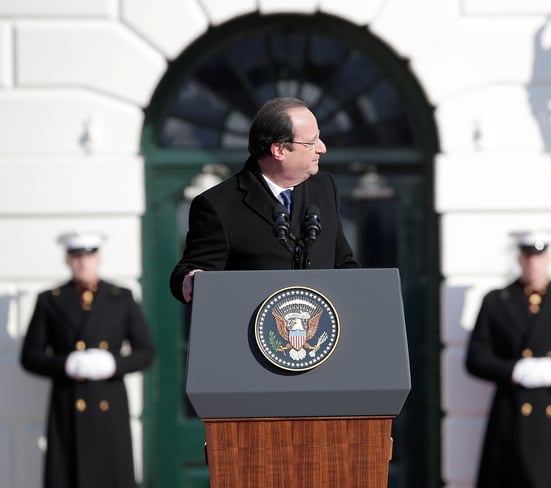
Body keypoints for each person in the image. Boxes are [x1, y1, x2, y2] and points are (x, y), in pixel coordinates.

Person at [170, 97, 359, 303]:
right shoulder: (218, 205)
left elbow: (343, 263)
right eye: (311, 143)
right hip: (253, 330)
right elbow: (191, 270)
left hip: (324, 328)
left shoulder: (324, 187)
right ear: (279, 150)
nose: (322, 148)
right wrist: (190, 278)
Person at [20, 229, 156, 488]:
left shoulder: (121, 297)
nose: (83, 262)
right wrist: (66, 364)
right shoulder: (50, 300)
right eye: (76, 256)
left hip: (109, 407)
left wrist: (113, 364)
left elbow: (145, 352)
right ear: (67, 260)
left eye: (89, 255)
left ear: (99, 258)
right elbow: (30, 356)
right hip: (67, 407)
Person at [465, 231, 551, 488]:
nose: (533, 263)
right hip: (511, 415)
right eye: (527, 256)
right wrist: (512, 370)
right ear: (519, 259)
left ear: (548, 258)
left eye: (538, 256)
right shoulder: (496, 301)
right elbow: (475, 358)